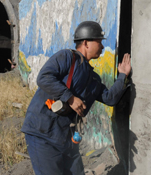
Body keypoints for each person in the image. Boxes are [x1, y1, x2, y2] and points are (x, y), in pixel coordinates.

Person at [21, 21, 131, 174]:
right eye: (99, 42)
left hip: (66, 138)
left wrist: (123, 76)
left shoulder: (93, 79)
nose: (102, 47)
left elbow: (110, 98)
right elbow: (44, 77)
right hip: (42, 134)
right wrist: (70, 98)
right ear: (86, 43)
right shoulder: (67, 57)